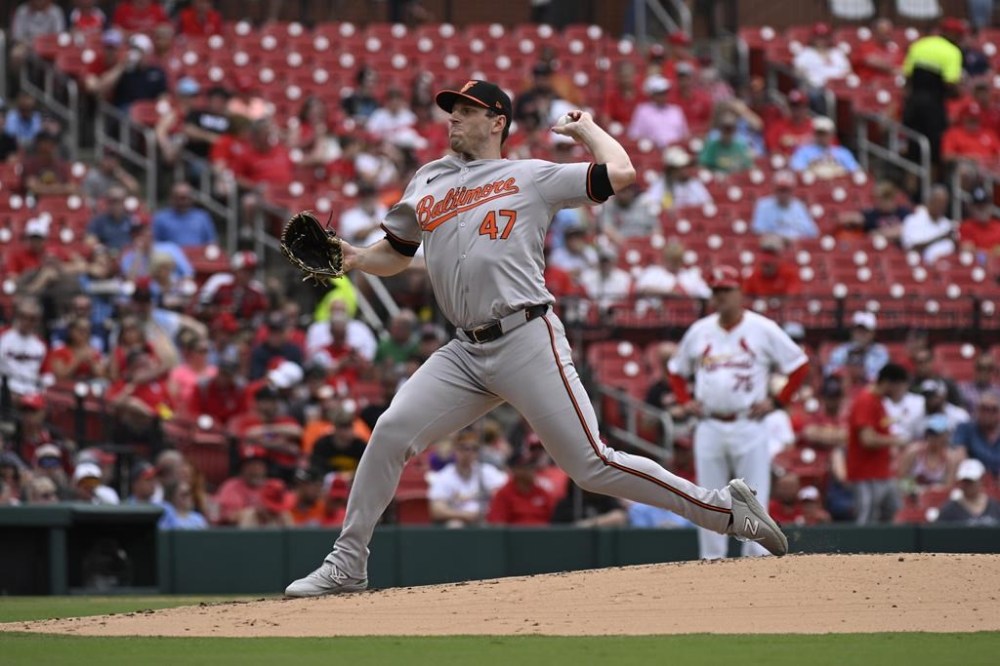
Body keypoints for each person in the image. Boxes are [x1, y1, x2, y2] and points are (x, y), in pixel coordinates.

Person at [285, 80, 788, 597]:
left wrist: (588, 129)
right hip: (464, 350)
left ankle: (725, 509)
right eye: (451, 111)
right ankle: (347, 565)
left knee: (591, 464)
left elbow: (622, 172)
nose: (453, 119)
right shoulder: (428, 179)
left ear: (497, 122)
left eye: (466, 111)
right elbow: (398, 252)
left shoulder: (530, 176)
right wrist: (358, 257)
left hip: (525, 336)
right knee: (390, 432)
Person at [666, 265, 808, 560]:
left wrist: (778, 401)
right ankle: (712, 559)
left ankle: (756, 560)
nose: (721, 297)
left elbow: (799, 365)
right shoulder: (700, 330)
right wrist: (684, 400)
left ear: (740, 293)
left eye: (727, 290)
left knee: (754, 497)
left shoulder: (762, 328)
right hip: (709, 423)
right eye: (716, 291)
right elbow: (675, 370)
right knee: (707, 498)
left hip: (749, 423)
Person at [846, 362, 910, 524]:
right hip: (866, 475)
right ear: (889, 383)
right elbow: (867, 439)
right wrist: (896, 440)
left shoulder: (878, 401)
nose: (903, 392)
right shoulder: (866, 400)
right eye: (901, 387)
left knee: (894, 511)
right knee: (866, 521)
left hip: (881, 473)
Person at [901, 18, 966, 169]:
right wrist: (958, 94)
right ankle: (930, 186)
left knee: (914, 153)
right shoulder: (953, 51)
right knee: (933, 154)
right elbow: (950, 82)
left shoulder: (919, 45)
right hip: (933, 107)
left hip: (913, 104)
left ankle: (912, 188)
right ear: (953, 34)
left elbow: (907, 77)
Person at [428, 430, 508, 527]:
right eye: (463, 448)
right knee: (454, 525)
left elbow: (506, 493)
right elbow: (437, 510)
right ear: (455, 450)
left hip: (486, 519)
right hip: (460, 520)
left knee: (498, 524)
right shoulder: (445, 475)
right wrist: (466, 515)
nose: (468, 452)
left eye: (474, 449)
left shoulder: (487, 471)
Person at [486, 447, 556, 526]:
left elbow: (555, 520)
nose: (532, 471)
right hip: (514, 536)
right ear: (516, 470)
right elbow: (497, 523)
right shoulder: (504, 494)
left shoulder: (541, 492)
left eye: (532, 466)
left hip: (543, 535)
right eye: (527, 467)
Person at [898, 413, 964, 491]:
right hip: (912, 496)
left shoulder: (950, 459)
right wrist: (913, 489)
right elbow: (900, 479)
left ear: (945, 436)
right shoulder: (913, 452)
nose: (933, 437)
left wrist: (932, 492)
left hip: (936, 499)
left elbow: (948, 487)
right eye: (931, 433)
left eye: (937, 434)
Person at [793, 22, 851, 105]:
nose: (822, 40)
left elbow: (848, 70)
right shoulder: (805, 53)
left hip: (839, 87)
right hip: (817, 88)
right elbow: (798, 71)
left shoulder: (836, 53)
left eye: (824, 37)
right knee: (815, 96)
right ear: (813, 37)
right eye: (819, 37)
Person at [750, 170, 818, 240]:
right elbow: (757, 230)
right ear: (774, 190)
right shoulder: (763, 205)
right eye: (780, 190)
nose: (783, 194)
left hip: (794, 244)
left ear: (792, 191)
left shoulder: (799, 206)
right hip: (773, 245)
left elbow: (812, 233)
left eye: (786, 190)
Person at [0, 297, 47, 397]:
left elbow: (46, 374)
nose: (27, 322)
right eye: (23, 317)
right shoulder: (3, 336)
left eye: (32, 319)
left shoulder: (41, 344)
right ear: (17, 316)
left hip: (31, 391)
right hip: (5, 387)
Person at [826, 311, 890, 383]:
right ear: (852, 332)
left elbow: (881, 377)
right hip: (846, 387)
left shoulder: (880, 351)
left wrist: (863, 372)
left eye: (865, 331)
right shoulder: (842, 349)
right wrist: (845, 372)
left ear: (873, 333)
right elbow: (828, 371)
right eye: (858, 331)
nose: (861, 334)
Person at [627, 75, 689, 148]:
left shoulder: (676, 110)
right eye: (659, 93)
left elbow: (685, 135)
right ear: (652, 94)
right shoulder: (642, 111)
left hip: (676, 149)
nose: (663, 96)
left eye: (665, 92)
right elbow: (634, 135)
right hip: (652, 150)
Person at [901, 185, 957, 264]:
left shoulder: (948, 224)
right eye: (938, 202)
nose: (941, 206)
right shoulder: (913, 220)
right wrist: (940, 238)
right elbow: (911, 248)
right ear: (929, 201)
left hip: (947, 267)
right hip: (921, 267)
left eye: (944, 203)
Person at [788, 117, 860, 178]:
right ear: (815, 134)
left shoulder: (842, 152)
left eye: (825, 134)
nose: (822, 137)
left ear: (832, 134)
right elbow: (797, 169)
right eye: (819, 133)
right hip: (813, 187)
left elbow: (855, 170)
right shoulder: (804, 152)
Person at [152, 183, 217, 247]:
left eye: (187, 197)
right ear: (172, 198)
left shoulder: (202, 217)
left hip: (198, 255)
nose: (184, 201)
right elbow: (155, 243)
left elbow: (211, 242)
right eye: (181, 198)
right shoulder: (161, 219)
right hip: (171, 256)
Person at [937, 458, 1000, 524]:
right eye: (964, 481)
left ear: (981, 480)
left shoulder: (995, 507)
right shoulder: (949, 510)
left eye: (971, 481)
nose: (967, 485)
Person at [952, 392, 1000, 477]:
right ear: (976, 410)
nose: (988, 413)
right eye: (984, 409)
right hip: (973, 478)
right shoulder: (965, 428)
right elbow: (959, 454)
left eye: (993, 410)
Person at [85, 186, 139, 252]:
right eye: (113, 201)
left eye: (119, 201)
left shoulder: (131, 220)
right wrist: (99, 248)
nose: (116, 205)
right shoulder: (99, 221)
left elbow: (139, 239)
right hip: (107, 256)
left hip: (127, 256)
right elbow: (89, 241)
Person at [959, 186, 1000, 255]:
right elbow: (967, 251)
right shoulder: (965, 227)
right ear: (971, 208)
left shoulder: (998, 226)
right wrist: (993, 252)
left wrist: (978, 250)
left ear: (990, 206)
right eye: (978, 206)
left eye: (985, 205)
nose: (982, 209)